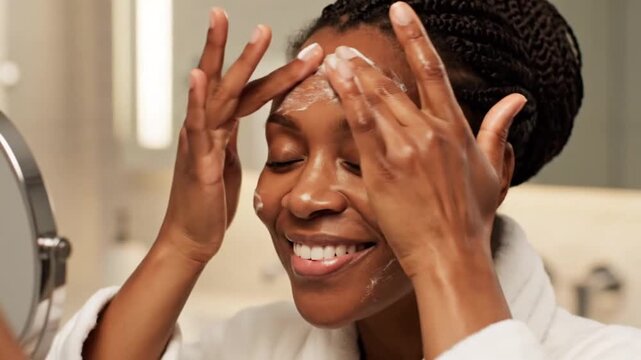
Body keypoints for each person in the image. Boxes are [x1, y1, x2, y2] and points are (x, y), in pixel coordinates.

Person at [48, 1, 641, 359]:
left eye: (366, 162)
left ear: (489, 172)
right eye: (283, 156)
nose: (303, 197)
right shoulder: (256, 348)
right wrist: (183, 241)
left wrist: (445, 254)